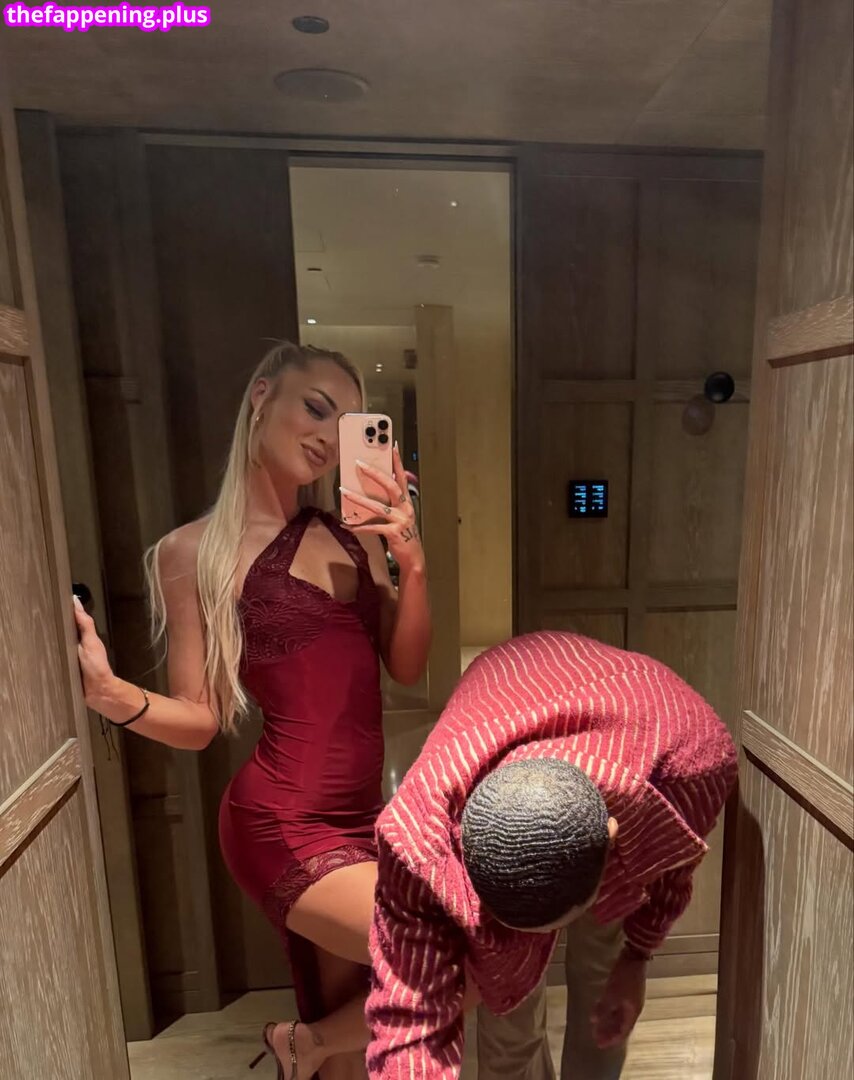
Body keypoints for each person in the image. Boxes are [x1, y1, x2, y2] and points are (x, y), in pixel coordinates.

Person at [73, 341, 432, 1080]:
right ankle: (305, 1044)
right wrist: (112, 696)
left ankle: (306, 1047)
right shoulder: (191, 552)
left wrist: (411, 561)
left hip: (364, 814)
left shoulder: (350, 536)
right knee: (438, 948)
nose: (327, 439)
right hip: (280, 821)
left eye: (344, 426)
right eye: (315, 409)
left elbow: (406, 665)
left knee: (354, 1045)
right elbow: (198, 720)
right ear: (262, 396)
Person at [366, 630, 738, 1080]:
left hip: (632, 715)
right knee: (508, 1017)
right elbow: (409, 1018)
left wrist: (637, 957)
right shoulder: (417, 839)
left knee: (604, 978)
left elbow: (671, 868)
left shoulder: (695, 763)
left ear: (613, 839)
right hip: (505, 692)